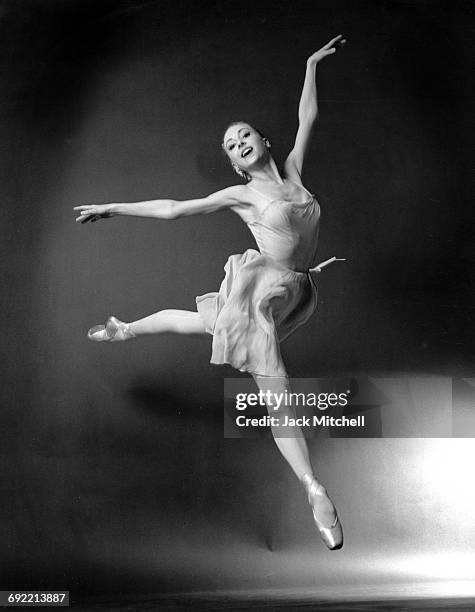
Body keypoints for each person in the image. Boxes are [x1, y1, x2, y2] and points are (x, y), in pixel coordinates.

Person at [74, 35, 346, 550]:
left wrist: (310, 64)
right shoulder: (241, 195)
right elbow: (175, 208)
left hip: (296, 287)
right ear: (235, 165)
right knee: (274, 386)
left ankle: (124, 328)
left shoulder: (292, 174)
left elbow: (307, 117)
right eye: (230, 145)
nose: (239, 142)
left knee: (197, 321)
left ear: (263, 141)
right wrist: (113, 208)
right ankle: (314, 490)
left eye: (245, 134)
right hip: (262, 290)